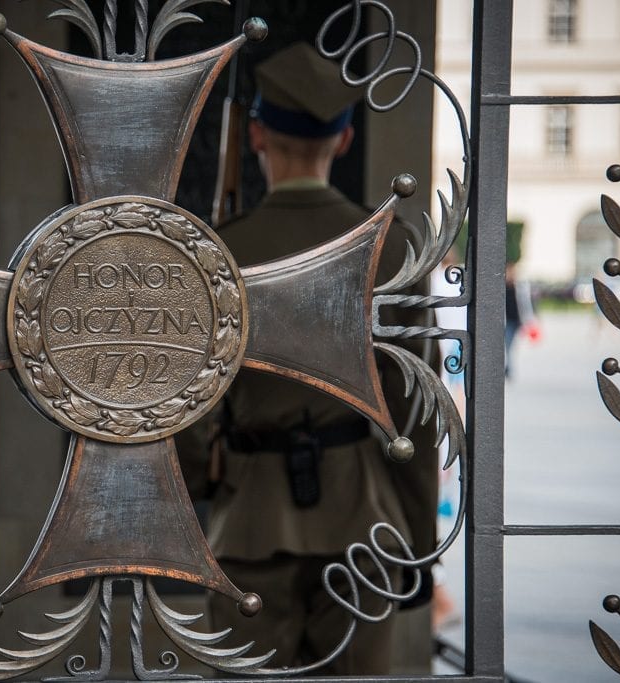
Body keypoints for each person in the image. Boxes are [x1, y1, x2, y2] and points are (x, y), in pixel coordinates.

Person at [178, 42, 440, 675]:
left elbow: (184, 406)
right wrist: (420, 543)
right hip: (364, 524)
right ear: (344, 140)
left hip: (247, 519)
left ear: (258, 135)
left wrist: (194, 491)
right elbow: (415, 404)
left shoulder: (219, 252)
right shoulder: (391, 245)